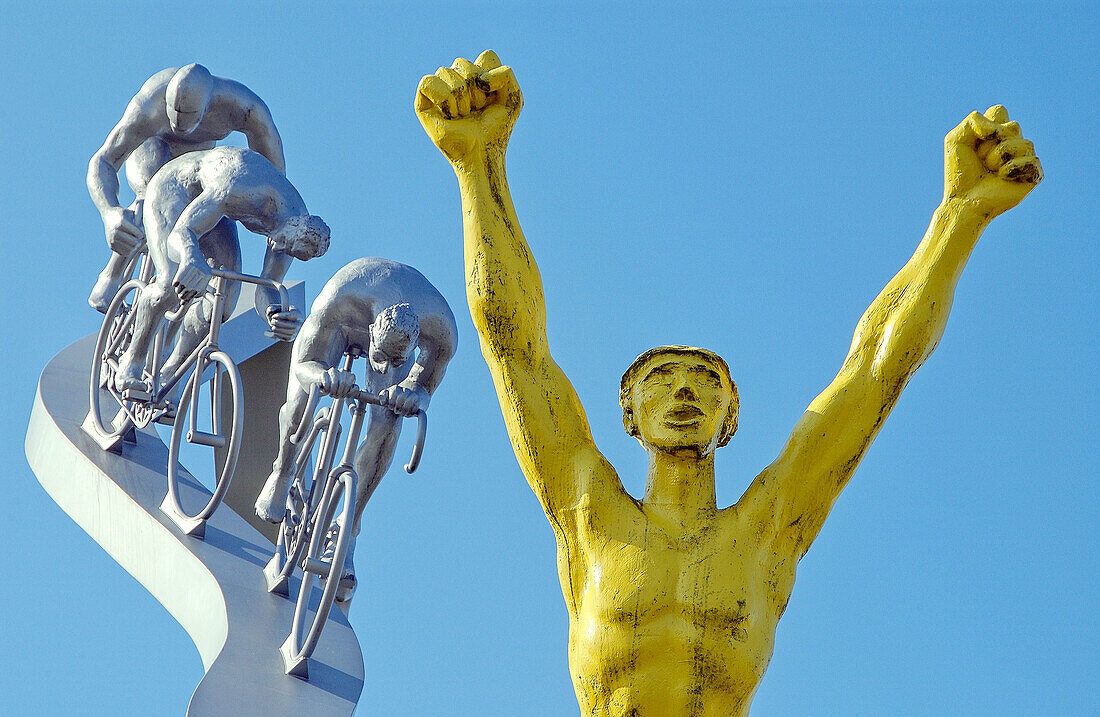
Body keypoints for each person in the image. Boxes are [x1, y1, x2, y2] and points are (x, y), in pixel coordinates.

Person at [416, 51, 1042, 716]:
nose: (684, 392)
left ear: (731, 416)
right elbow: (516, 351)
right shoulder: (590, 512)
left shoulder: (765, 533)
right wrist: (478, 169)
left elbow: (876, 371)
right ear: (628, 414)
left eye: (705, 382)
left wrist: (960, 218)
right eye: (660, 379)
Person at [254, 257, 458, 604]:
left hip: (395, 336)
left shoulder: (440, 328)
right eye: (383, 355)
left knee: (388, 422)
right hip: (343, 326)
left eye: (396, 360)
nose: (383, 365)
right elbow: (304, 364)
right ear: (375, 329)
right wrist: (323, 376)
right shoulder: (342, 296)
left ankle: (348, 530)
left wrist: (413, 393)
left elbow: (424, 388)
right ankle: (283, 471)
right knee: (300, 404)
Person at [114, 146, 328, 397]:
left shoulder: (292, 234)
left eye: (289, 251)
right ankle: (131, 363)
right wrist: (191, 256)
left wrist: (275, 316)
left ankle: (169, 375)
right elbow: (180, 234)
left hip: (217, 215)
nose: (280, 249)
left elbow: (266, 287)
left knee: (221, 305)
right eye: (284, 243)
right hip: (174, 192)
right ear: (291, 227)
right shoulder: (242, 188)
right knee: (169, 285)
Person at [87, 63, 285, 312]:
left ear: (206, 108)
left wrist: (269, 290)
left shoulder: (244, 108)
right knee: (151, 198)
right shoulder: (149, 104)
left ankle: (186, 337)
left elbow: (278, 192)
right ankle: (113, 274)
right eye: (174, 115)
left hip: (196, 166)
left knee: (224, 259)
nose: (178, 123)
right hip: (154, 150)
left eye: (187, 117)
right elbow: (104, 160)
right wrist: (109, 213)